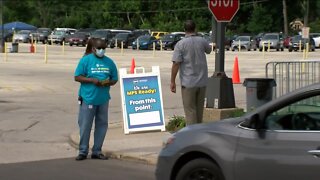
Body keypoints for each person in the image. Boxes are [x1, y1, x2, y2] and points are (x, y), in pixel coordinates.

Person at [74, 38, 118, 161]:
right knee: (85, 125)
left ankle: (97, 151)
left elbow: (114, 79)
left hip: (103, 99)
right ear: (93, 49)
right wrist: (92, 80)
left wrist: (108, 82)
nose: (101, 51)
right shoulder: (86, 60)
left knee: (102, 125)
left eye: (104, 48)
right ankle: (83, 151)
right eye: (99, 48)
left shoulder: (109, 62)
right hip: (88, 98)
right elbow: (77, 77)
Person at [170, 20, 211, 125]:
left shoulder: (180, 44)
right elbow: (209, 50)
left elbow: (176, 64)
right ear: (195, 29)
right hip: (202, 82)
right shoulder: (202, 41)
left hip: (188, 83)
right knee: (199, 111)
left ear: (184, 30)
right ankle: (198, 134)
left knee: (190, 111)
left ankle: (192, 136)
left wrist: (172, 81)